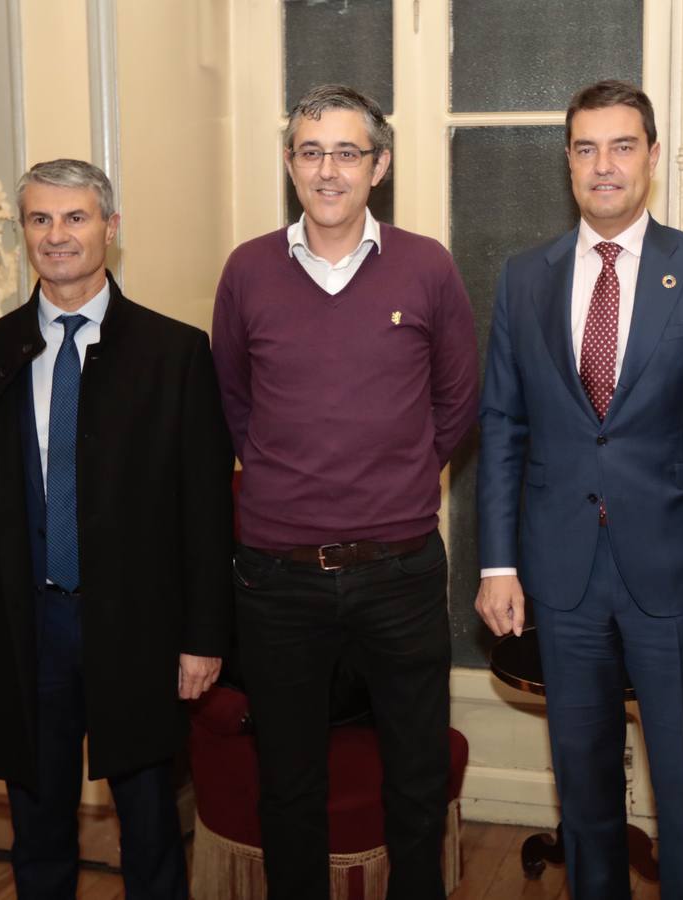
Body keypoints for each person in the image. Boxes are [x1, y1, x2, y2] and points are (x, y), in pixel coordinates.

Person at [475, 80, 683, 900]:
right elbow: (501, 425)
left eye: (620, 146)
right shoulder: (523, 277)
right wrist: (496, 562)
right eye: (584, 148)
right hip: (560, 579)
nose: (602, 166)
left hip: (677, 578)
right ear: (566, 161)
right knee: (583, 793)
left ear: (649, 155)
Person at [0, 158, 233, 898]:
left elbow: (204, 510)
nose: (56, 235)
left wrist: (202, 637)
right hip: (21, 632)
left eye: (75, 218)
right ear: (22, 233)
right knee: (36, 832)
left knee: (152, 829)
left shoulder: (175, 353)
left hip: (138, 632)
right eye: (39, 219)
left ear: (110, 227)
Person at [211, 84, 478, 898]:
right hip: (276, 578)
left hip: (397, 571)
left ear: (379, 165)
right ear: (291, 163)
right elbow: (233, 404)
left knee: (414, 779)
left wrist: (395, 477)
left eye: (347, 152)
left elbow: (458, 399)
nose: (328, 170)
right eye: (310, 151)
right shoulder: (247, 270)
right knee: (288, 785)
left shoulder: (427, 265)